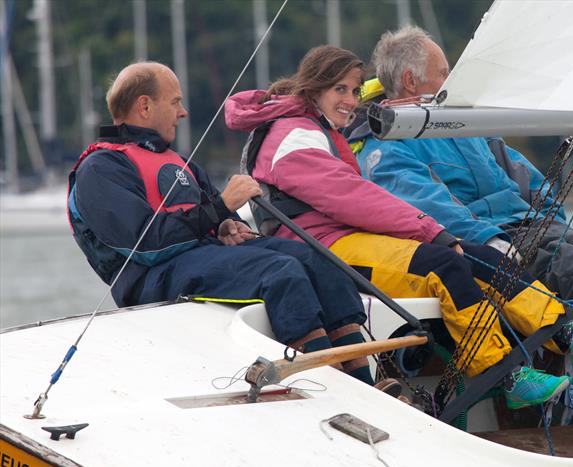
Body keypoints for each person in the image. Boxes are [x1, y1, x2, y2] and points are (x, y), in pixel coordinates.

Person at [225, 45, 573, 410]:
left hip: (349, 238)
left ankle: (563, 330)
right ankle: (507, 376)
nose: (351, 100)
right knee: (443, 264)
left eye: (356, 90)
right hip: (327, 250)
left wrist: (437, 233)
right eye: (340, 90)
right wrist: (428, 229)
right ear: (314, 89)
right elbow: (349, 196)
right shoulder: (295, 135)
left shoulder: (313, 127)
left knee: (478, 254)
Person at [350, 26, 573, 353]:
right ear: (412, 80)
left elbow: (518, 169)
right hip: (490, 237)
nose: (450, 80)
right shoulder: (386, 148)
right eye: (444, 72)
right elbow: (430, 205)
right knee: (564, 261)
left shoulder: (459, 124)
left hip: (524, 222)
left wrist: (550, 213)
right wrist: (489, 238)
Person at [67, 61, 380, 386]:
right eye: (175, 101)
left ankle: (363, 381)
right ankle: (332, 386)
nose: (183, 111)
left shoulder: (177, 160)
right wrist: (220, 209)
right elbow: (145, 243)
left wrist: (226, 224)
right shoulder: (100, 168)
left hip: (201, 257)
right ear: (145, 106)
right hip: (152, 277)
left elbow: (208, 214)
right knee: (281, 271)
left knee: (320, 259)